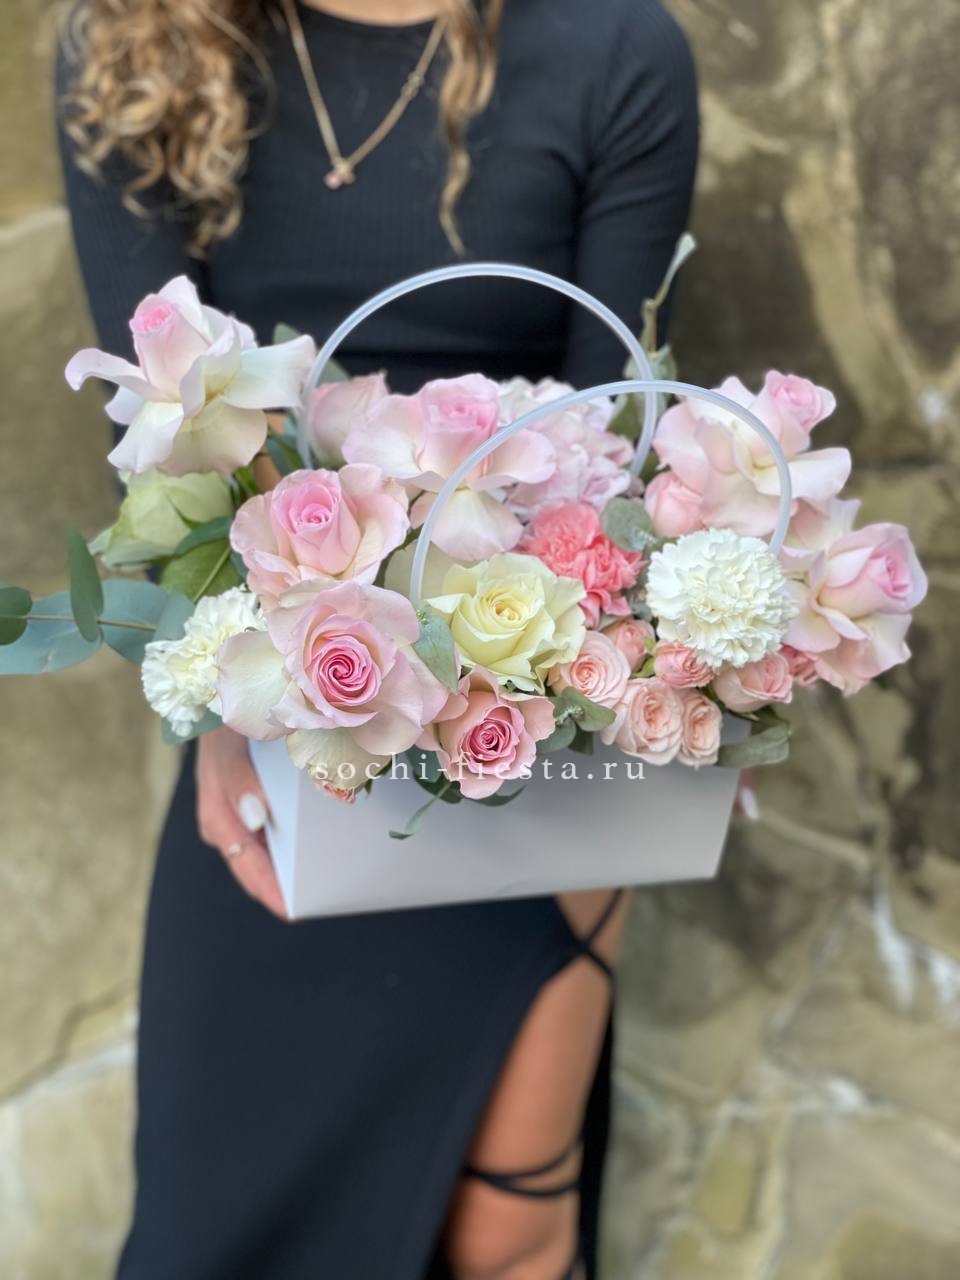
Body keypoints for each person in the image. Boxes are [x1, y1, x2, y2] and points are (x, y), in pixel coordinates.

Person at [56, 1, 697, 1275]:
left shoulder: (617, 50)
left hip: (531, 759)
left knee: (505, 1236)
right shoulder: (134, 37)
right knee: (214, 1237)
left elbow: (617, 453)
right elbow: (159, 435)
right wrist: (232, 706)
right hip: (278, 753)